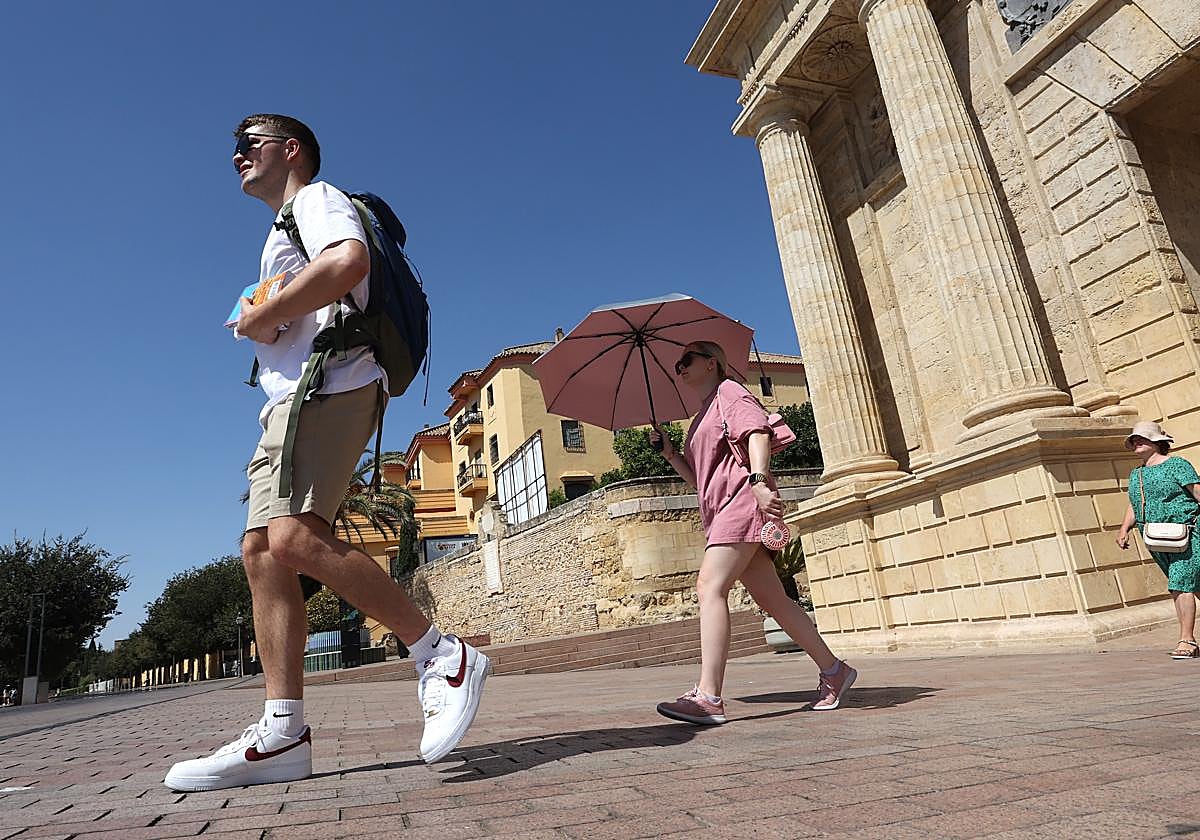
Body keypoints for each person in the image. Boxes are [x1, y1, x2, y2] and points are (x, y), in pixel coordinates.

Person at [163, 115, 490, 792]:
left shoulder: (314, 199)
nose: (235, 156)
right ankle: (283, 732)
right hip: (294, 400)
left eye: (247, 143)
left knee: (291, 538)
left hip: (330, 384)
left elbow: (349, 263)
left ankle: (443, 654)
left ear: (291, 151)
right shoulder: (284, 225)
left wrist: (259, 315)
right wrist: (272, 313)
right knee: (261, 551)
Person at [651, 341, 857, 724]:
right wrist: (669, 453)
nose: (679, 367)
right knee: (774, 601)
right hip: (719, 510)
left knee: (709, 587)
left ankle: (708, 695)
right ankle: (834, 671)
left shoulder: (730, 391)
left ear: (711, 363)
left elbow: (757, 432)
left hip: (741, 503)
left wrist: (760, 481)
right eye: (677, 364)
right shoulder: (700, 416)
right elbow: (701, 480)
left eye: (686, 360)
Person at [1116, 420, 1200, 659]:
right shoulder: (1137, 474)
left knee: (1179, 583)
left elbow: (1197, 492)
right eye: (1134, 439)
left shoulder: (1177, 465)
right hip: (1156, 537)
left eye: (1142, 437)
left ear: (1158, 442)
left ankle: (1187, 641)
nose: (1137, 441)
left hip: (1188, 531)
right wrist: (1124, 529)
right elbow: (1134, 503)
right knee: (1194, 586)